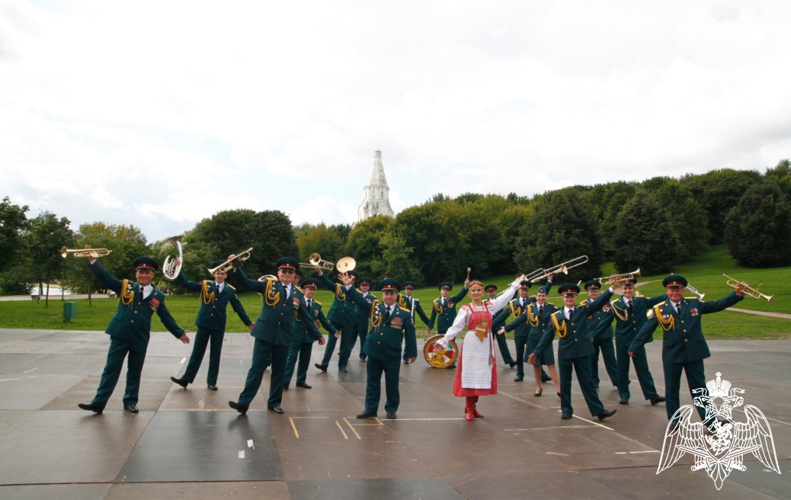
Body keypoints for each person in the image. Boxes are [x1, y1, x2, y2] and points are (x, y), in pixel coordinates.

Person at [78, 250, 190, 414]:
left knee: (134, 371)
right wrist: (93, 261)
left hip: (139, 337)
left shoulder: (158, 295)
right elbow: (105, 278)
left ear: (152, 275)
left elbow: (165, 317)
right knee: (111, 370)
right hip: (120, 335)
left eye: (147, 272)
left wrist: (179, 333)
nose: (143, 275)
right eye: (140, 272)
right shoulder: (125, 286)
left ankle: (130, 401)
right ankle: (99, 402)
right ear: (136, 274)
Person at [629, 274, 744, 426]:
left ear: (683, 291)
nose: (674, 293)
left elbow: (717, 305)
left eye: (677, 290)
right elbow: (646, 329)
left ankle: (710, 421)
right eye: (671, 290)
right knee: (672, 388)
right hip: (672, 354)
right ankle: (675, 420)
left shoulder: (694, 304)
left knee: (700, 389)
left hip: (694, 353)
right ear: (667, 291)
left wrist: (736, 295)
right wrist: (634, 347)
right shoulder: (659, 309)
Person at [227, 257, 322, 415]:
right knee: (256, 369)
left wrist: (317, 335)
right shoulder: (268, 285)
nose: (286, 273)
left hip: (284, 335)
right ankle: (243, 403)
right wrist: (236, 268)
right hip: (265, 333)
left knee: (279, 371)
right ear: (278, 273)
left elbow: (305, 316)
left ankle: (274, 403)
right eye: (283, 271)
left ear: (294, 275)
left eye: (290, 272)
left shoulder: (298, 293)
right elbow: (247, 283)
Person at [434, 276, 525, 421]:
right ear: (470, 293)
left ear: (482, 292)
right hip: (472, 343)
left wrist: (515, 285)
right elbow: (456, 326)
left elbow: (505, 298)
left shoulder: (489, 306)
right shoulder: (466, 309)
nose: (476, 293)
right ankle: (469, 408)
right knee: (471, 375)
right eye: (473, 290)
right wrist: (444, 341)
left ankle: (473, 406)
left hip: (486, 344)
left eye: (478, 290)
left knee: (481, 375)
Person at [332, 273, 416, 420]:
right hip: (374, 351)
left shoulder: (404, 313)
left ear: (396, 295)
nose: (388, 297)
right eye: (386, 294)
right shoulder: (374, 308)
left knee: (392, 383)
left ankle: (391, 408)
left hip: (392, 354)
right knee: (372, 382)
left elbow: (410, 334)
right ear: (382, 295)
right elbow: (358, 299)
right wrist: (348, 286)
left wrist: (411, 352)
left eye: (391, 294)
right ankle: (370, 408)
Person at [528, 283, 617, 421]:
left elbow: (598, 303)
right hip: (566, 352)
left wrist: (611, 289)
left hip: (582, 351)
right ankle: (566, 409)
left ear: (576, 297)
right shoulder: (556, 316)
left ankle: (598, 410)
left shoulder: (583, 310)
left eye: (572, 296)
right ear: (562, 298)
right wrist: (536, 352)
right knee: (565, 382)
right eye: (566, 296)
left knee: (587, 382)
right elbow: (548, 335)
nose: (569, 299)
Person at [170, 260, 254, 391]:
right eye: (217, 273)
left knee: (215, 355)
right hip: (204, 324)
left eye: (222, 274)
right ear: (213, 275)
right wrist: (178, 269)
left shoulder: (230, 290)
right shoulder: (205, 285)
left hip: (218, 325)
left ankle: (212, 381)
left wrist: (248, 322)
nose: (220, 276)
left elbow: (238, 308)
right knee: (197, 353)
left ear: (226, 275)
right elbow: (187, 284)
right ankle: (186, 379)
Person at [610, 276, 665, 406]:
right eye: (625, 288)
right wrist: (593, 334)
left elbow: (659, 299)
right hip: (623, 340)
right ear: (621, 290)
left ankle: (652, 395)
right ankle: (624, 395)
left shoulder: (641, 301)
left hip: (637, 341)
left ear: (634, 289)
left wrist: (670, 293)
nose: (627, 290)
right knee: (622, 368)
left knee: (643, 368)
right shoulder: (615, 304)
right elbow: (606, 321)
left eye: (630, 287)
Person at [501, 286, 560, 396]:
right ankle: (538, 387)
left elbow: (561, 313)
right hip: (534, 339)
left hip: (546, 339)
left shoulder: (551, 307)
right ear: (536, 297)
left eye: (543, 296)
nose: (541, 298)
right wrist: (506, 328)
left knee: (550, 364)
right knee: (535, 364)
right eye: (539, 296)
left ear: (546, 296)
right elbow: (519, 320)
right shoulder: (530, 308)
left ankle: (559, 388)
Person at [492, 275, 553, 381]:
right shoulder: (513, 303)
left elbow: (544, 292)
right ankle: (520, 373)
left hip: (531, 330)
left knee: (535, 352)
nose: (524, 292)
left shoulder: (533, 300)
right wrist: (491, 324)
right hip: (519, 331)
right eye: (522, 290)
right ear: (519, 290)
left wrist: (549, 281)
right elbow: (504, 315)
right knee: (519, 353)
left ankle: (542, 374)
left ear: (528, 290)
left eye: (526, 290)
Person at [283, 277, 332, 390]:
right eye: (309, 289)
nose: (312, 292)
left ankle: (301, 380)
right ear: (303, 290)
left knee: (305, 359)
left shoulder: (317, 305)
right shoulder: (296, 301)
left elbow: (323, 319)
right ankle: (285, 381)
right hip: (296, 334)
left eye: (314, 289)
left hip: (308, 335)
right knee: (291, 359)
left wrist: (333, 331)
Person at [315, 270, 358, 373]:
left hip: (348, 320)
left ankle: (342, 365)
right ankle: (324, 364)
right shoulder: (338, 288)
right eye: (348, 277)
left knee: (345, 344)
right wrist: (320, 272)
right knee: (331, 343)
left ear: (354, 280)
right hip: (336, 318)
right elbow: (328, 283)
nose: (349, 280)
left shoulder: (356, 292)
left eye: (352, 279)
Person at [584, 280, 618, 391]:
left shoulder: (608, 303)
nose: (593, 292)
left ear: (599, 291)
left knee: (610, 359)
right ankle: (594, 381)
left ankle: (617, 380)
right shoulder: (585, 305)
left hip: (605, 335)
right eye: (591, 290)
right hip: (592, 337)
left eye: (595, 290)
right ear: (587, 292)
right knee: (592, 360)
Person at [339, 276, 374, 365]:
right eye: (362, 285)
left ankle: (363, 355)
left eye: (366, 285)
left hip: (363, 320)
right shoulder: (356, 294)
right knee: (351, 338)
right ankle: (347, 354)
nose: (364, 287)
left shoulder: (372, 297)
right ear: (360, 286)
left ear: (369, 287)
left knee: (363, 338)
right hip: (354, 319)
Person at [398, 280, 430, 364]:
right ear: (404, 290)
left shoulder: (415, 301)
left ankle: (406, 356)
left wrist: (429, 323)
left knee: (409, 340)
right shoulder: (400, 299)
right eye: (407, 289)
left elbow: (421, 313)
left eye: (411, 289)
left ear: (413, 291)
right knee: (398, 340)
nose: (409, 290)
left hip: (410, 322)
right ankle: (397, 356)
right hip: (400, 322)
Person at [485, 284, 516, 368]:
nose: (491, 293)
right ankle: (487, 360)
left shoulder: (500, 300)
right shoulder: (485, 302)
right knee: (488, 345)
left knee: (503, 344)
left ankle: (509, 360)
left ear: (495, 292)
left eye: (492, 292)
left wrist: (515, 290)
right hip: (489, 326)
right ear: (487, 293)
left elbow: (511, 299)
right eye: (489, 292)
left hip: (499, 325)